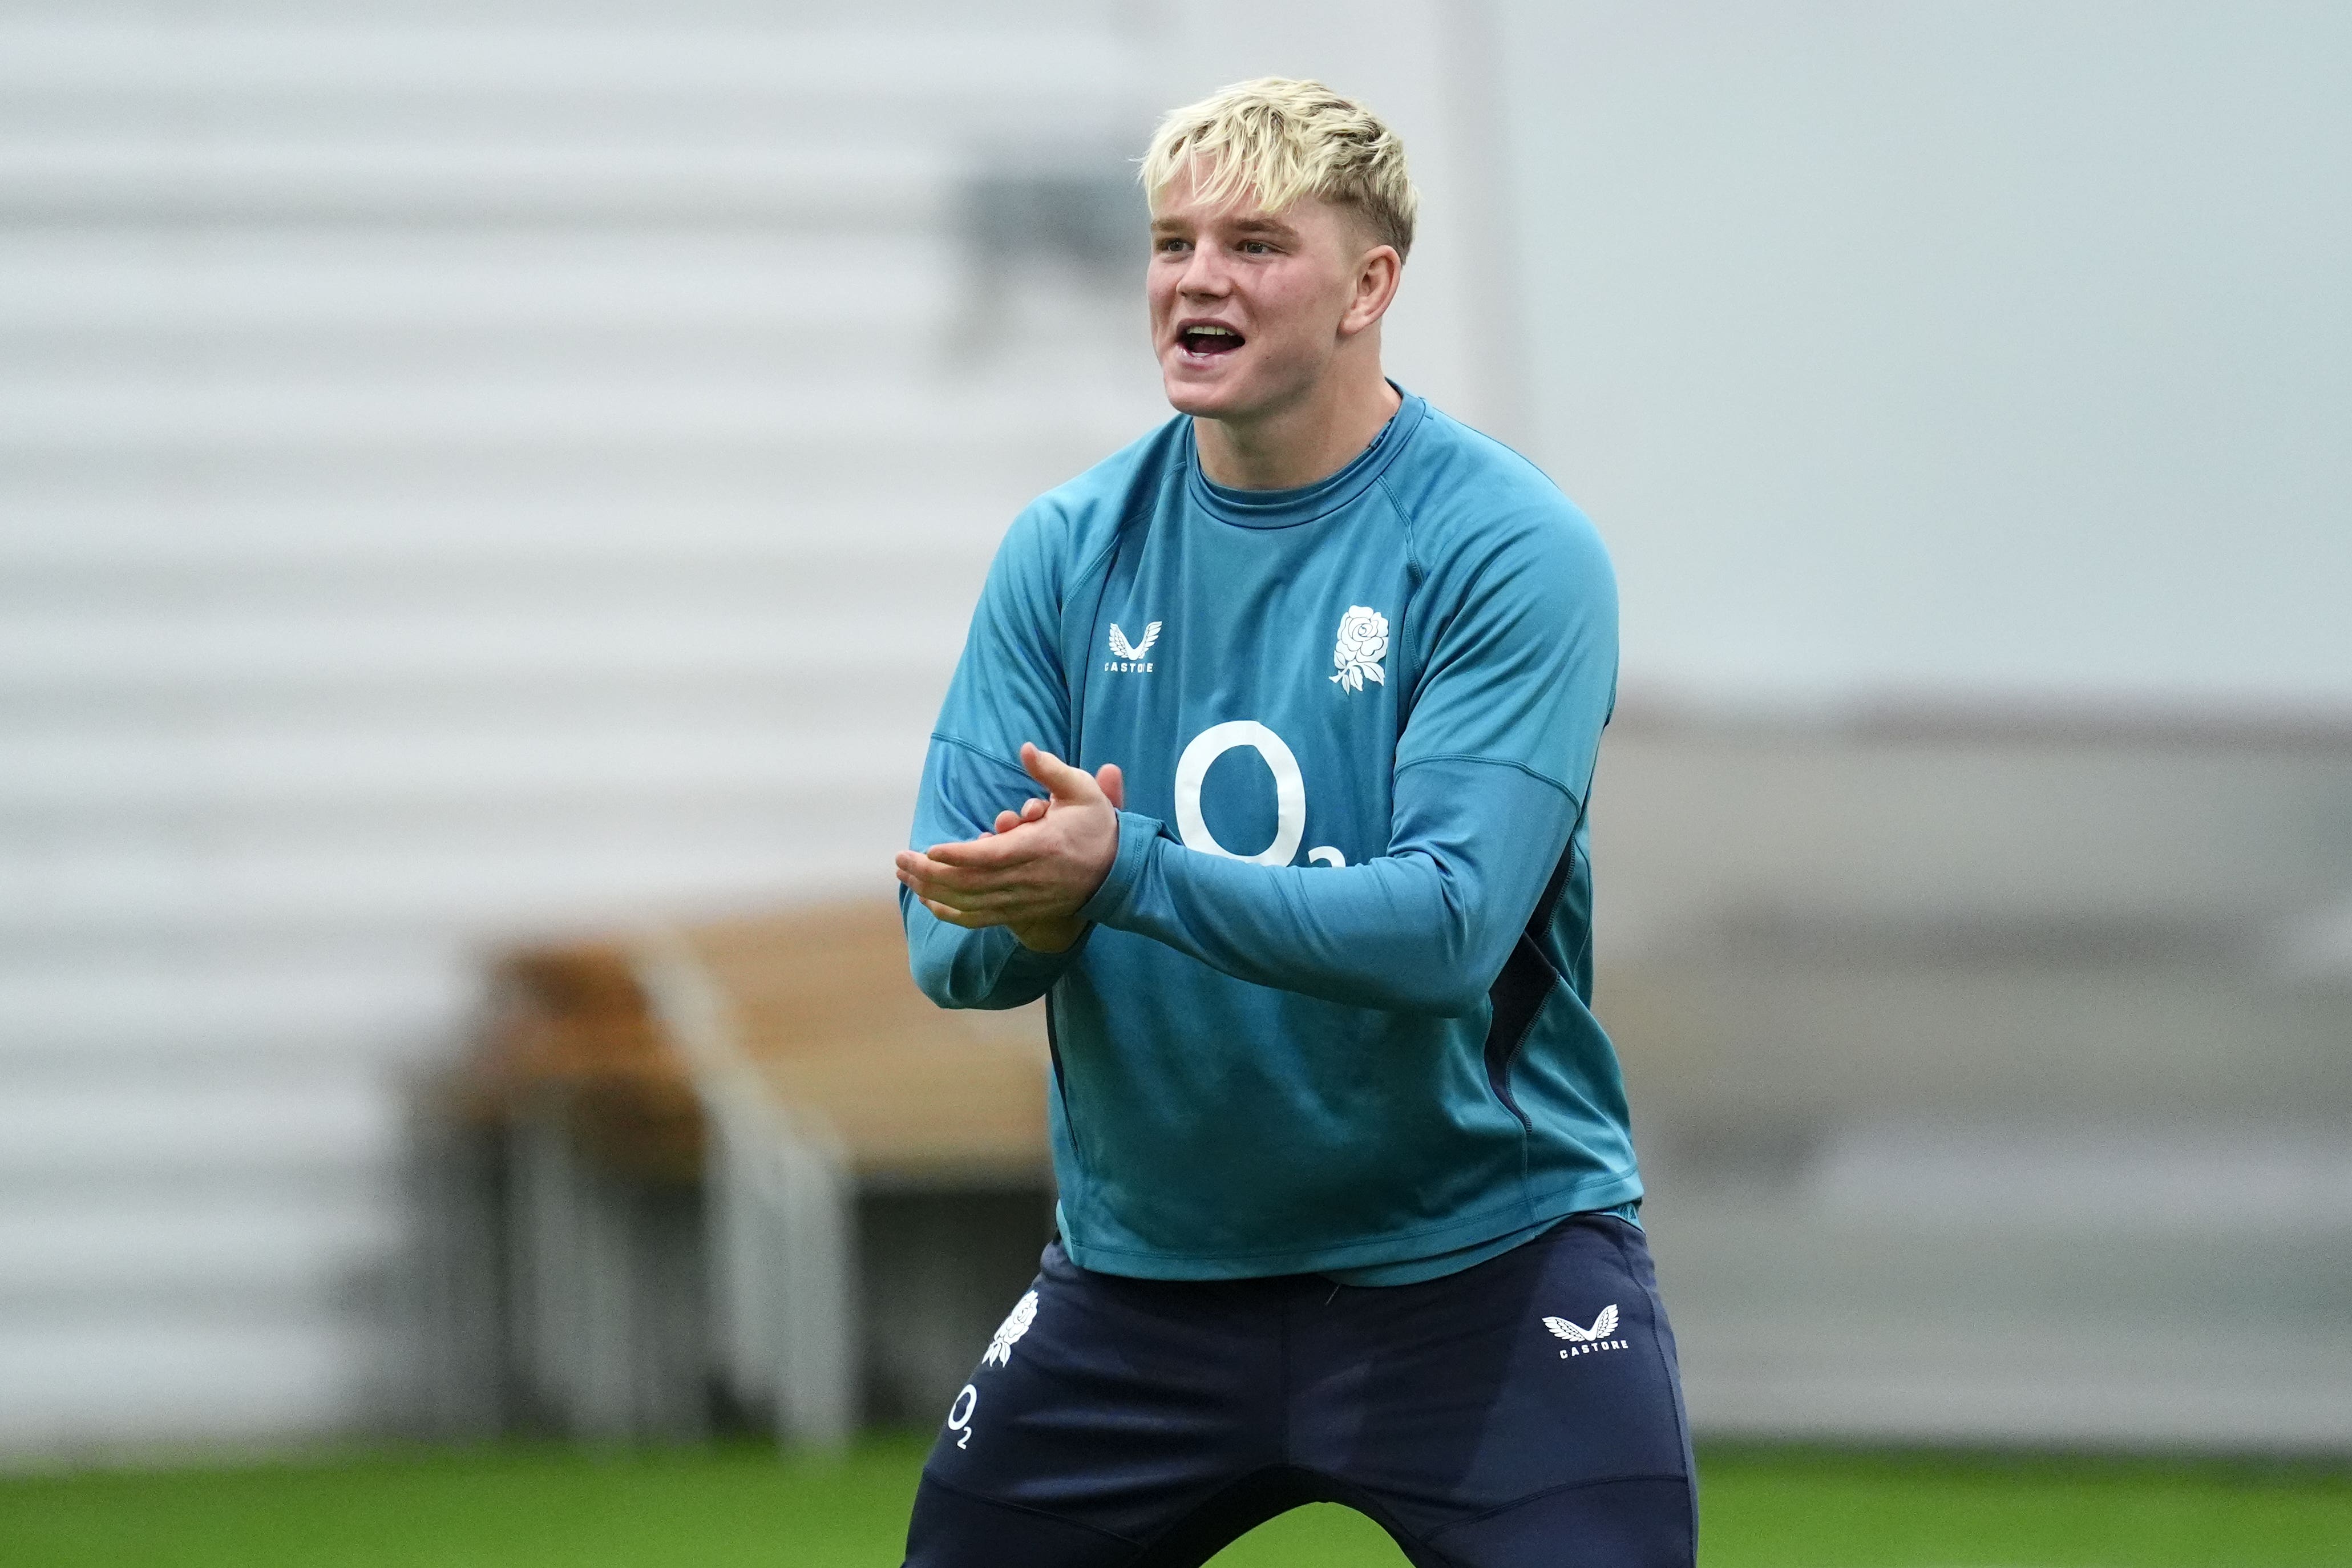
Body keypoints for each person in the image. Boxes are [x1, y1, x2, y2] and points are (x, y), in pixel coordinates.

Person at [894, 77, 1694, 1568]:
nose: (1197, 276)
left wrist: (1120, 870)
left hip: (1481, 1271)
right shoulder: (1066, 554)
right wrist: (1033, 910)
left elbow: (1449, 925)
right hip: (1140, 1289)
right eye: (1172, 240)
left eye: (1255, 242)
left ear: (1368, 285)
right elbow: (947, 943)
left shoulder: (1506, 549)